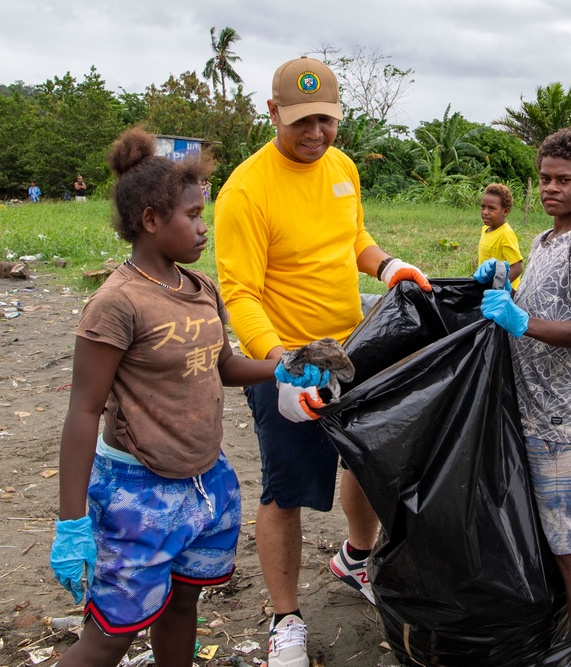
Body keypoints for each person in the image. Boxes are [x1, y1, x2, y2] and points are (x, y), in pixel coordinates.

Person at [50, 127, 331, 667]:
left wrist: (282, 368)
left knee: (182, 605)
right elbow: (83, 411)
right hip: (137, 492)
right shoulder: (117, 304)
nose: (205, 229)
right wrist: (71, 523)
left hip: (205, 482)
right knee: (110, 636)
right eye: (194, 216)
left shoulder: (199, 290)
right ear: (152, 221)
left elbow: (223, 365)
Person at [213, 55, 431, 667]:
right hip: (287, 359)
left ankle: (357, 560)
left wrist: (387, 266)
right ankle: (286, 619)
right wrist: (279, 362)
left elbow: (352, 238)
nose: (316, 134)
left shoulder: (342, 167)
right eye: (302, 121)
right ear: (273, 112)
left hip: (352, 349)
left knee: (364, 461)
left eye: (327, 121)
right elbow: (240, 294)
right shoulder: (246, 191)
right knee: (287, 490)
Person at [475, 127, 571, 667]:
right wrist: (502, 289)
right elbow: (540, 305)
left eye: (565, 180)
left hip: (557, 420)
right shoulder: (542, 241)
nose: (552, 188)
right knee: (543, 534)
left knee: (570, 547)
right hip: (524, 409)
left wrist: (521, 320)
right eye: (545, 179)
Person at [477, 183, 523, 291]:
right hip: (488, 288)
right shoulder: (485, 229)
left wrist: (499, 287)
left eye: (492, 208)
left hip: (505, 293)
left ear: (505, 211)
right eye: (483, 207)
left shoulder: (505, 234)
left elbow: (517, 267)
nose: (485, 212)